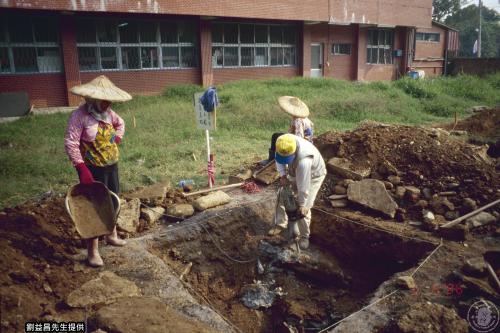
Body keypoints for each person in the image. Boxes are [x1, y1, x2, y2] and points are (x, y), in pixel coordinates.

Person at [64, 75, 132, 267]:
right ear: (92, 98)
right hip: (92, 169)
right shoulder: (80, 117)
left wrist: (117, 138)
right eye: (104, 100)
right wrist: (81, 167)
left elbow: (121, 124)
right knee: (93, 207)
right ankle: (92, 251)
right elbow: (71, 143)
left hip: (111, 165)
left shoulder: (109, 114)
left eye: (109, 100)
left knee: (113, 199)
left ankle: (111, 234)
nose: (107, 103)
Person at [268, 134, 326, 250]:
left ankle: (304, 237)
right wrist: (283, 175)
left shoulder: (304, 161)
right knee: (282, 193)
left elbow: (303, 187)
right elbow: (279, 160)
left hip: (314, 176)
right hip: (294, 171)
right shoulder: (282, 142)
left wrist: (303, 204)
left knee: (303, 211)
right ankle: (280, 224)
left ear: (294, 152)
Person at [264, 96, 314, 164]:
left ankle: (272, 159)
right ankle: (274, 157)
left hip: (303, 143)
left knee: (276, 137)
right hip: (305, 141)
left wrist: (287, 139)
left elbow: (299, 137)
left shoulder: (298, 120)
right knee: (276, 135)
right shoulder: (302, 117)